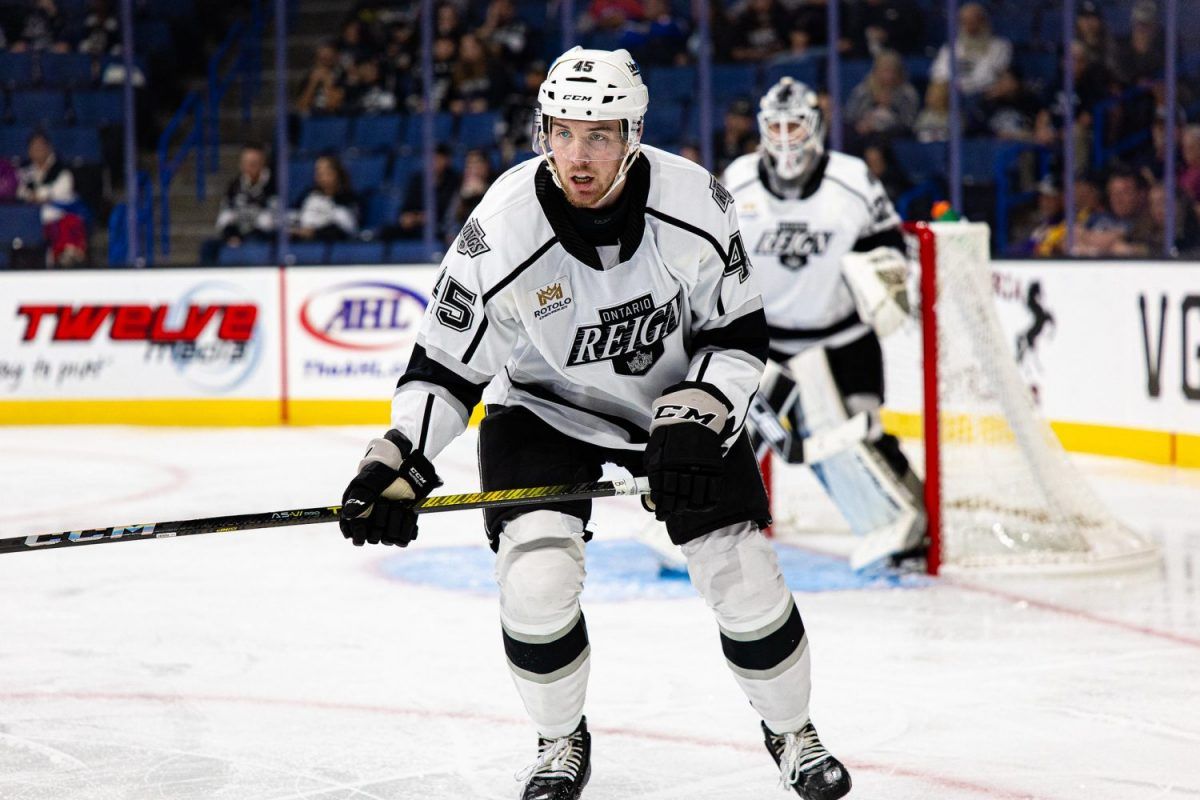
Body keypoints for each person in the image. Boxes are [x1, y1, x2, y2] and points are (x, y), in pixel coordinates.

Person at [338, 47, 852, 800]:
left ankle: (793, 731)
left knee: (745, 579)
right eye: (563, 132)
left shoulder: (696, 203)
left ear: (633, 134)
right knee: (536, 580)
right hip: (546, 410)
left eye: (601, 135)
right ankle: (558, 741)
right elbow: (447, 366)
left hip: (677, 410)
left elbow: (737, 337)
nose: (578, 156)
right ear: (542, 130)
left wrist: (697, 416)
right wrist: (399, 457)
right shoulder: (501, 230)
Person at [721, 77, 926, 569]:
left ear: (815, 126)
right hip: (767, 342)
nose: (787, 135)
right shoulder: (739, 177)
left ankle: (915, 526)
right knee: (733, 440)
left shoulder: (852, 179)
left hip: (843, 338)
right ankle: (719, 530)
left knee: (864, 434)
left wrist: (885, 279)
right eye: (776, 125)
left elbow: (888, 247)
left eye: (796, 124)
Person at [18, 131, 86, 266]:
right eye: (33, 147)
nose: (37, 150)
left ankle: (67, 259)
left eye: (40, 146)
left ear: (48, 148)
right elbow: (20, 192)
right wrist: (35, 196)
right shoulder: (25, 171)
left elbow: (61, 191)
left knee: (69, 224)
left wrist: (40, 196)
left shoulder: (62, 171)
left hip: (59, 217)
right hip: (33, 220)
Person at [208, 142, 278, 260]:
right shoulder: (234, 186)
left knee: (253, 244)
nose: (249, 167)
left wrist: (242, 236)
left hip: (261, 236)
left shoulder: (274, 185)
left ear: (263, 164)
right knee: (209, 247)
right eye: (246, 163)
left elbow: (270, 221)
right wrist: (231, 234)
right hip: (237, 234)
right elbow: (225, 215)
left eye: (253, 163)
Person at [929, 2, 1011, 97]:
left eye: (974, 21)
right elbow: (939, 74)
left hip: (985, 98)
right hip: (953, 97)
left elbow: (1000, 76)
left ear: (983, 22)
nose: (970, 27)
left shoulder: (999, 46)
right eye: (965, 22)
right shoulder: (950, 48)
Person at [844, 49, 919, 145]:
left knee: (876, 142)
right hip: (863, 131)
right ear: (876, 71)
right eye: (885, 71)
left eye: (893, 72)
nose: (889, 77)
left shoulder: (907, 93)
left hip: (892, 135)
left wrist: (891, 107)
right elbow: (850, 115)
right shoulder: (863, 91)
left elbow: (909, 123)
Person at [290, 155, 359, 242]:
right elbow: (295, 215)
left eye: (326, 170)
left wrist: (314, 233)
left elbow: (347, 229)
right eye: (318, 171)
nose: (320, 175)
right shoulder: (309, 194)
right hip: (302, 244)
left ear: (336, 173)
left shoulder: (348, 198)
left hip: (332, 246)